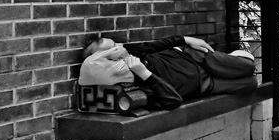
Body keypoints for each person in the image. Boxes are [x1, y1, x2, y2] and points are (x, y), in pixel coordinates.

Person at [79, 35, 258, 110]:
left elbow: (156, 44)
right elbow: (173, 101)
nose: (120, 47)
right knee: (251, 84)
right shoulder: (132, 85)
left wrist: (185, 39)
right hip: (205, 86)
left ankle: (233, 58)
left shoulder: (131, 51)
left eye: (117, 44)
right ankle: (235, 61)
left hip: (197, 60)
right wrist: (145, 74)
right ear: (107, 59)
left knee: (249, 66)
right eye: (113, 48)